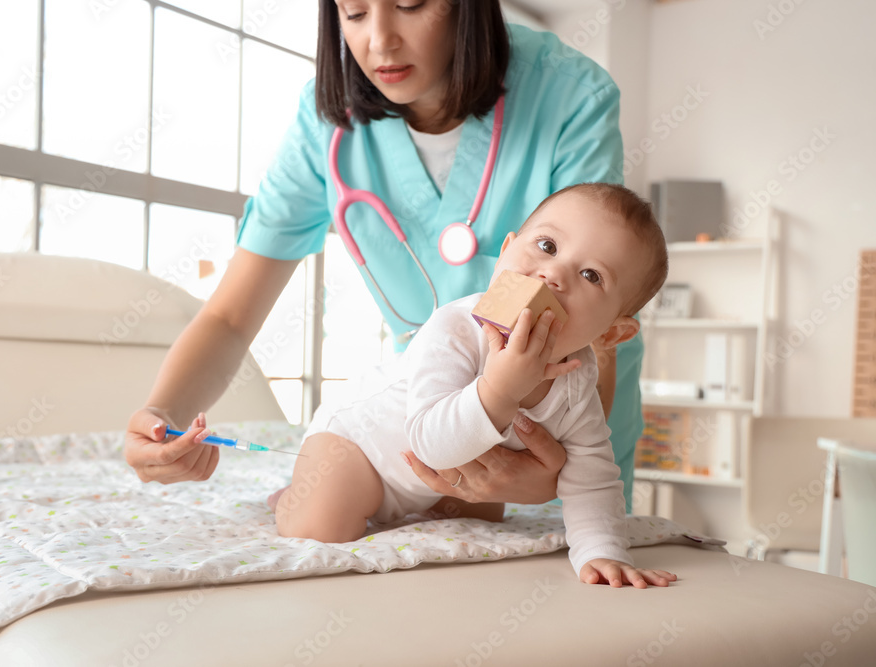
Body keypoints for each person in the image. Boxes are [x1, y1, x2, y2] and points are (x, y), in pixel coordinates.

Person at [125, 0, 644, 518]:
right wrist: (160, 414)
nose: (380, 40)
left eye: (410, 4)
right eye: (353, 12)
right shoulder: (325, 123)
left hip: (556, 422)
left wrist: (555, 480)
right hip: (427, 422)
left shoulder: (569, 95)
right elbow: (230, 316)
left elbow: (598, 323)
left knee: (573, 563)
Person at [271, 182, 676, 587]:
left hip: (447, 487)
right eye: (548, 246)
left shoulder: (578, 379)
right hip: (361, 449)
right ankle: (289, 498)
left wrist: (602, 552)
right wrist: (500, 390)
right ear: (505, 252)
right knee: (323, 523)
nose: (553, 274)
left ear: (611, 334)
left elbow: (592, 476)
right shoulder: (457, 328)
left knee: (485, 522)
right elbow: (431, 445)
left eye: (591, 275)